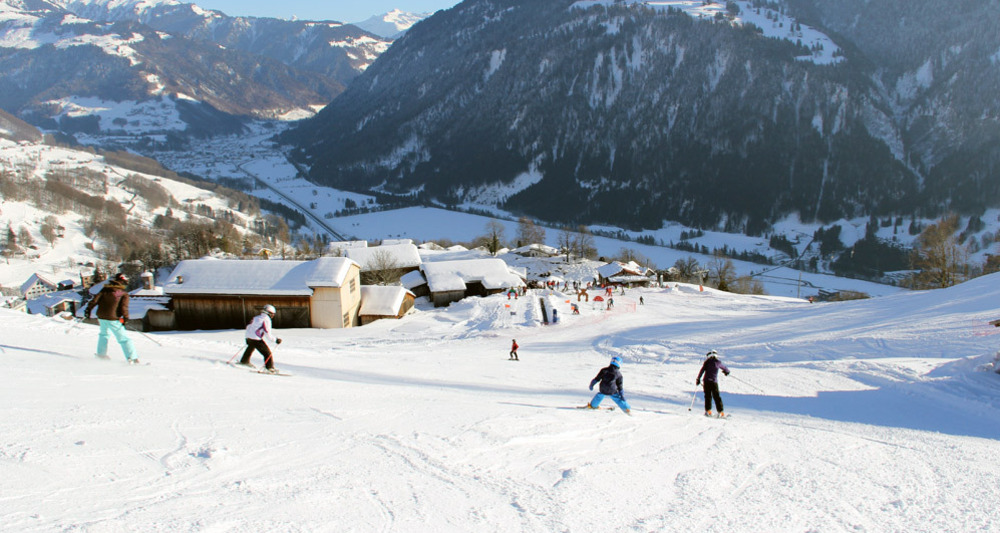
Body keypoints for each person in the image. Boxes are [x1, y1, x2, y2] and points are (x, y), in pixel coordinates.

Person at [84, 273, 140, 363]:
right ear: (122, 282)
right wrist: (126, 318)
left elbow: (95, 300)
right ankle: (132, 358)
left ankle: (101, 355)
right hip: (113, 318)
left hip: (101, 316)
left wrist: (88, 309)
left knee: (104, 335)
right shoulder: (122, 293)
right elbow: (123, 307)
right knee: (123, 339)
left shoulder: (105, 289)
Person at [239, 305, 282, 372]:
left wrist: (248, 337)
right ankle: (269, 368)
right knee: (267, 353)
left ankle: (244, 361)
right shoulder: (266, 320)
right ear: (269, 313)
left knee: (250, 348)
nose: (273, 316)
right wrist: (276, 340)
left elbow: (248, 327)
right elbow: (267, 333)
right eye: (273, 314)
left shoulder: (256, 317)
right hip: (256, 339)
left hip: (249, 337)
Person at [696, 350, 730, 417]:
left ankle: (708, 411)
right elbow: (725, 369)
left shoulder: (707, 362)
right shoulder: (718, 362)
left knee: (708, 396)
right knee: (717, 397)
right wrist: (726, 372)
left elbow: (702, 371)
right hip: (714, 382)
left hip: (706, 382)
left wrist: (698, 379)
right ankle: (721, 412)